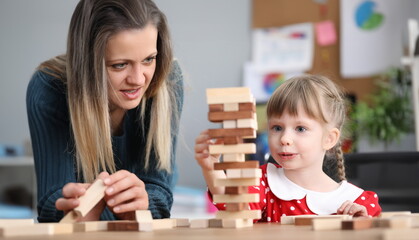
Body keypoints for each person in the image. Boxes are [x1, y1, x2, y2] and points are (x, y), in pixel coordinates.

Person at [26, 0, 183, 222]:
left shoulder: (167, 80)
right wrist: (68, 209)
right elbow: (50, 201)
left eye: (149, 59)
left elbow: (160, 193)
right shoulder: (49, 88)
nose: (138, 80)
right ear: (87, 64)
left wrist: (144, 204)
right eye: (119, 65)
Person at [195, 75, 381, 222]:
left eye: (300, 129)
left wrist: (361, 223)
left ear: (329, 138)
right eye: (277, 128)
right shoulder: (263, 183)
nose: (284, 139)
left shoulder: (359, 201)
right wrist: (210, 167)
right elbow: (234, 206)